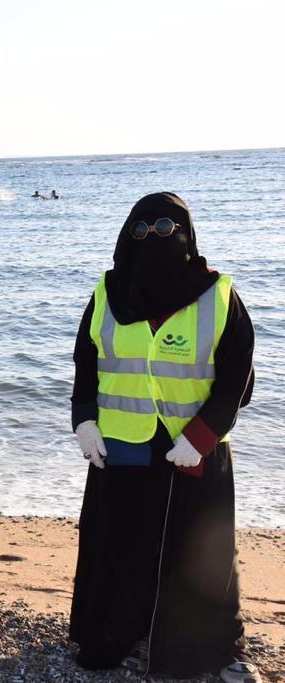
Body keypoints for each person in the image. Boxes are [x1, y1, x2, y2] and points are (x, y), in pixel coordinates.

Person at [69, 192, 260, 683]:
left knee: (200, 553)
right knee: (121, 544)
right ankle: (116, 634)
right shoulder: (107, 292)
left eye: (165, 229)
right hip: (122, 445)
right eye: (141, 229)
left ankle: (211, 650)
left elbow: (237, 376)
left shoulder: (218, 294)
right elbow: (86, 361)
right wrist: (83, 420)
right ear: (125, 236)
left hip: (192, 450)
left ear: (186, 235)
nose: (152, 238)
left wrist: (202, 435)